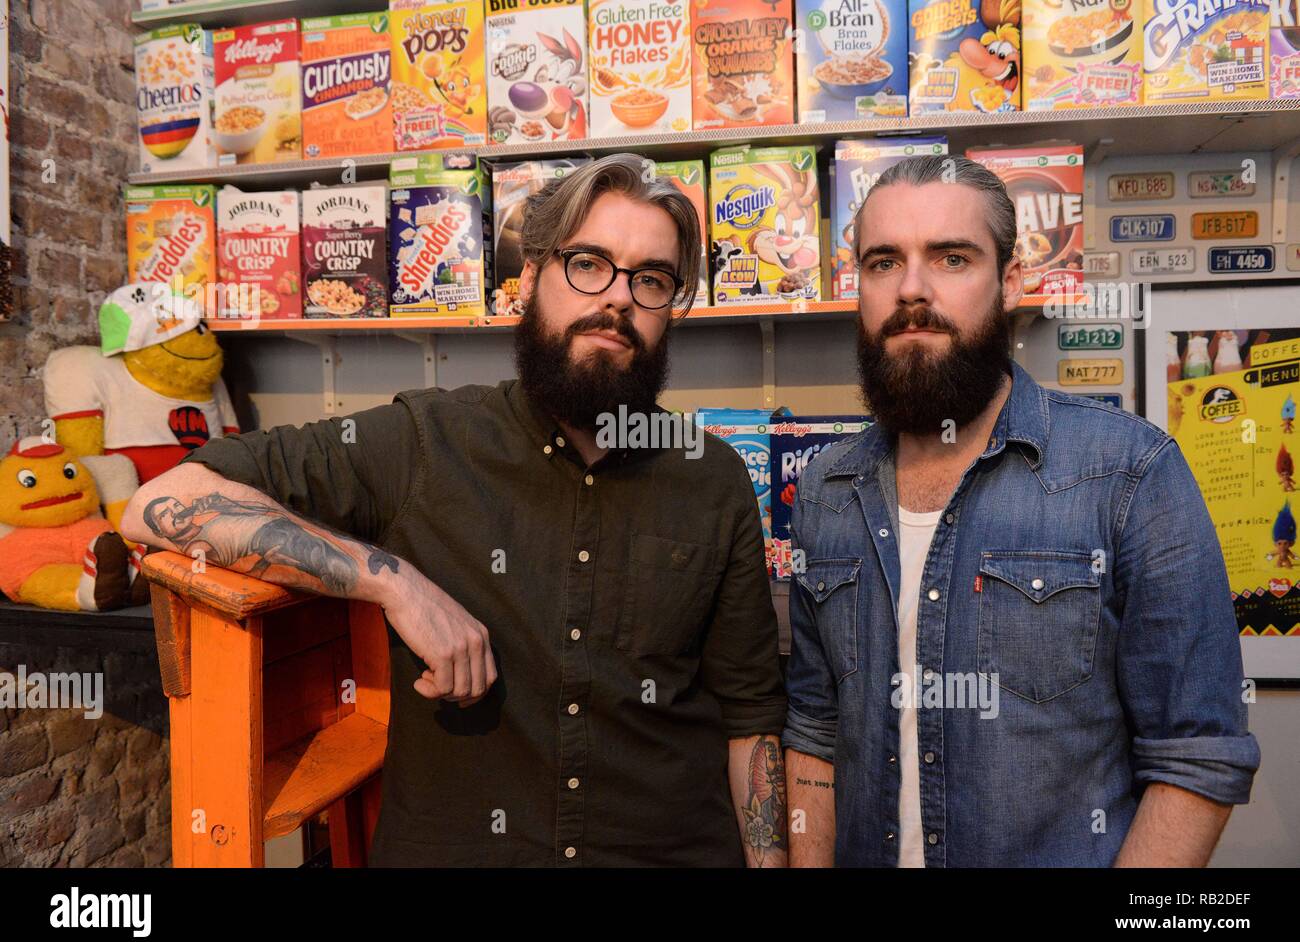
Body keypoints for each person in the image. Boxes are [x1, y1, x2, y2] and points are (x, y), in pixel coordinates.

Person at [124, 154, 788, 867]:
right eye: (589, 263)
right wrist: (391, 580)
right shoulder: (425, 442)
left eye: (650, 279)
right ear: (528, 280)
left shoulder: (713, 478)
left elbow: (751, 721)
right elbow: (162, 503)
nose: (619, 299)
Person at [782, 155, 1260, 867]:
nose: (912, 289)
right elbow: (815, 730)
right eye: (883, 262)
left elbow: (1198, 757)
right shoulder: (825, 489)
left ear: (1009, 281)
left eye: (951, 257)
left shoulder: (1130, 473)